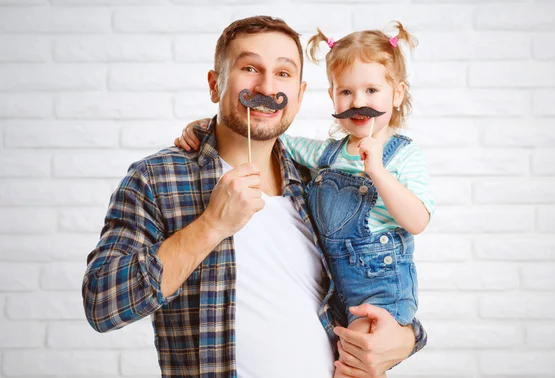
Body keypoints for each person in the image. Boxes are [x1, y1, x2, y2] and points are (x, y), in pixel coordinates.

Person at [82, 15, 426, 378]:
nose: (266, 86)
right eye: (249, 67)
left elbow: (373, 277)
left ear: (299, 94)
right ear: (216, 85)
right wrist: (211, 225)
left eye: (283, 73)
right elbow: (102, 305)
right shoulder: (158, 178)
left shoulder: (320, 181)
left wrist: (406, 337)